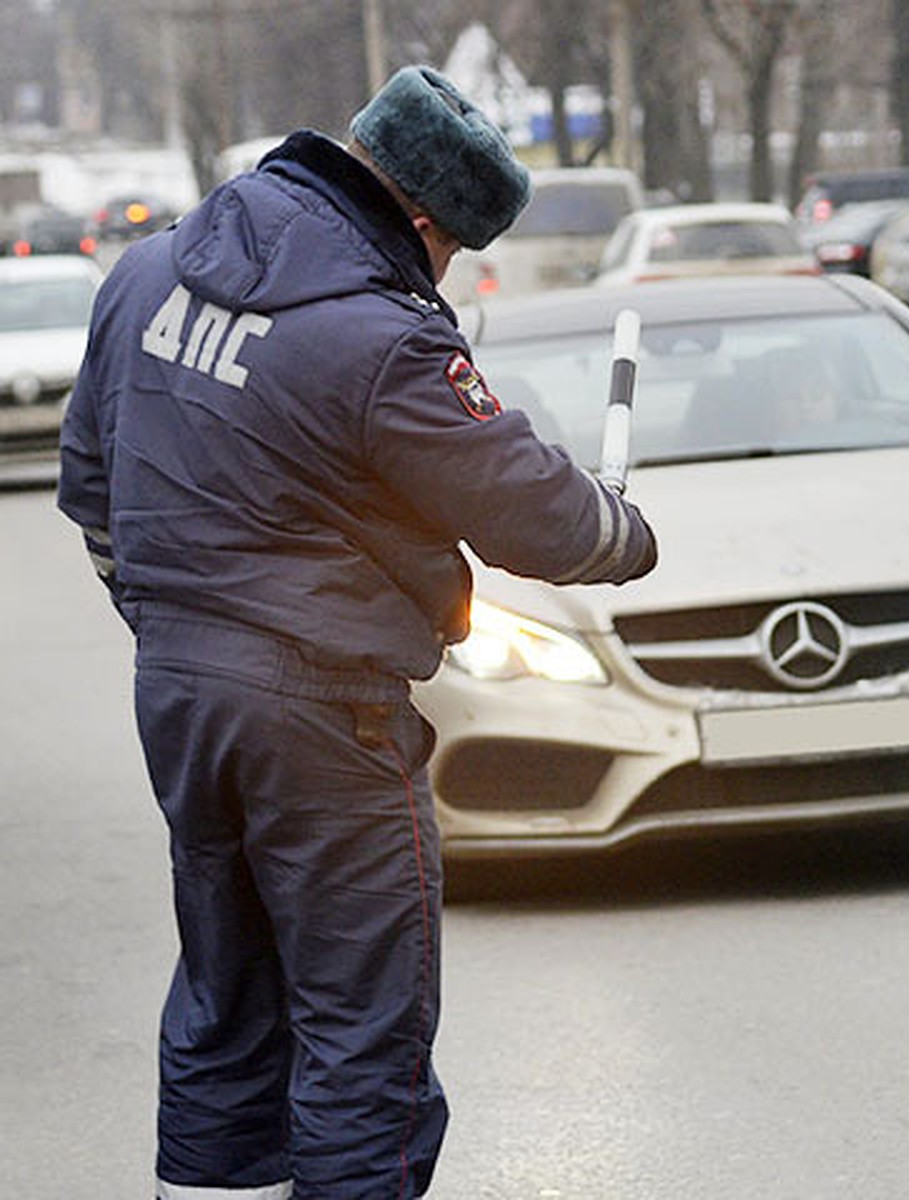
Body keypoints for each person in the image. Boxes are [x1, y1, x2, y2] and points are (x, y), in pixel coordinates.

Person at [57, 65, 657, 1200]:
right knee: (361, 1033)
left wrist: (170, 624)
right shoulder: (382, 341)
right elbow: (541, 518)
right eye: (451, 252)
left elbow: (93, 487)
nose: (443, 275)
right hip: (328, 712)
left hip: (179, 694)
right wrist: (622, 533)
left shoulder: (145, 274)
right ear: (422, 221)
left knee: (228, 1000)